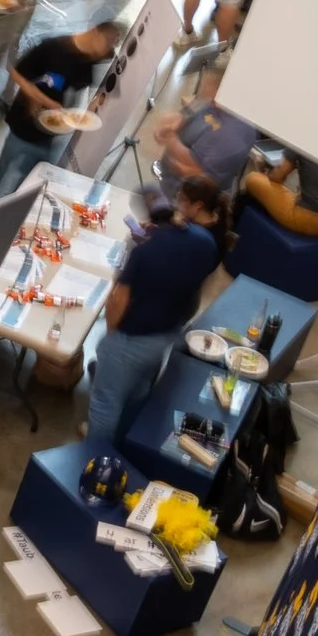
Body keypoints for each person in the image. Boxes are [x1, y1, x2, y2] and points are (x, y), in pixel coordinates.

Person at [89, 177, 225, 443]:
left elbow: (118, 299)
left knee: (104, 405)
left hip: (132, 337)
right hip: (165, 335)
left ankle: (93, 462)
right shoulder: (205, 242)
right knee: (137, 393)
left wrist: (114, 336)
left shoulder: (144, 250)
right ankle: (124, 445)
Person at [0, 20, 119, 200]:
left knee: (31, 186)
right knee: (6, 184)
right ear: (94, 32)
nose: (107, 50)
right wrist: (41, 99)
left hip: (54, 136)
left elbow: (84, 90)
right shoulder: (52, 49)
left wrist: (89, 110)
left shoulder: (92, 58)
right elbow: (16, 72)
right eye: (107, 42)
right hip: (24, 128)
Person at [151, 57, 261, 204]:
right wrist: (173, 124)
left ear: (222, 90)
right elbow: (183, 117)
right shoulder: (212, 103)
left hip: (192, 201)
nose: (202, 88)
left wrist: (170, 139)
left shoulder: (235, 133)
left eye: (208, 85)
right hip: (170, 181)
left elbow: (193, 169)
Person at [242, 147, 318, 237]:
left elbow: (277, 176)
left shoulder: (301, 138)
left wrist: (266, 172)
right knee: (295, 193)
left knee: (253, 178)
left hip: (311, 220)